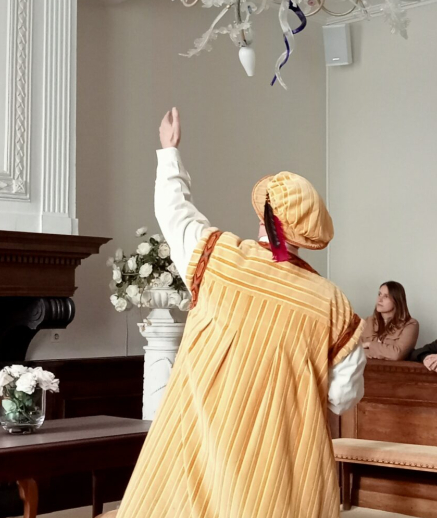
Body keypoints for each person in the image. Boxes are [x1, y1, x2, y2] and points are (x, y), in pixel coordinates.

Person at [113, 108, 367, 518]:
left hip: (201, 450)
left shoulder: (218, 257)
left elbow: (174, 212)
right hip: (282, 472)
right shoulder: (334, 303)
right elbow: (342, 398)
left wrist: (169, 152)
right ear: (309, 234)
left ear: (263, 216)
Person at [360, 281, 419, 361]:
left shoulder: (411, 324)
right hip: (366, 370)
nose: (379, 299)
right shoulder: (366, 322)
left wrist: (369, 344)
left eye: (386, 296)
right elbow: (354, 351)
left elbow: (396, 355)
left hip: (394, 372)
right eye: (379, 294)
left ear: (396, 300)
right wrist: (384, 352)